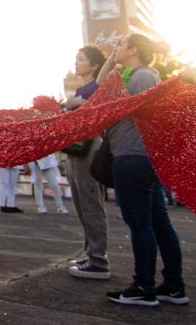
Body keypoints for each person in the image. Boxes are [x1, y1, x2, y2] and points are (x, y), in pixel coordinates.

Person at [95, 33, 184, 307]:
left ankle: (144, 285)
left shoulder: (143, 77)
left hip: (133, 155)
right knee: (157, 221)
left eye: (120, 45)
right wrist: (112, 58)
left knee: (141, 223)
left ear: (133, 49)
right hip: (139, 156)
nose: (115, 48)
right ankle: (172, 285)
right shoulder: (137, 74)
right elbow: (100, 85)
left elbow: (125, 109)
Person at [64, 46, 111, 280]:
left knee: (91, 202)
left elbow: (100, 111)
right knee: (80, 201)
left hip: (89, 147)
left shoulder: (97, 88)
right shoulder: (82, 88)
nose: (77, 62)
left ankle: (98, 259)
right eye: (76, 58)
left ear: (94, 66)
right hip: (75, 149)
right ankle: (90, 251)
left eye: (81, 59)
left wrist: (79, 103)